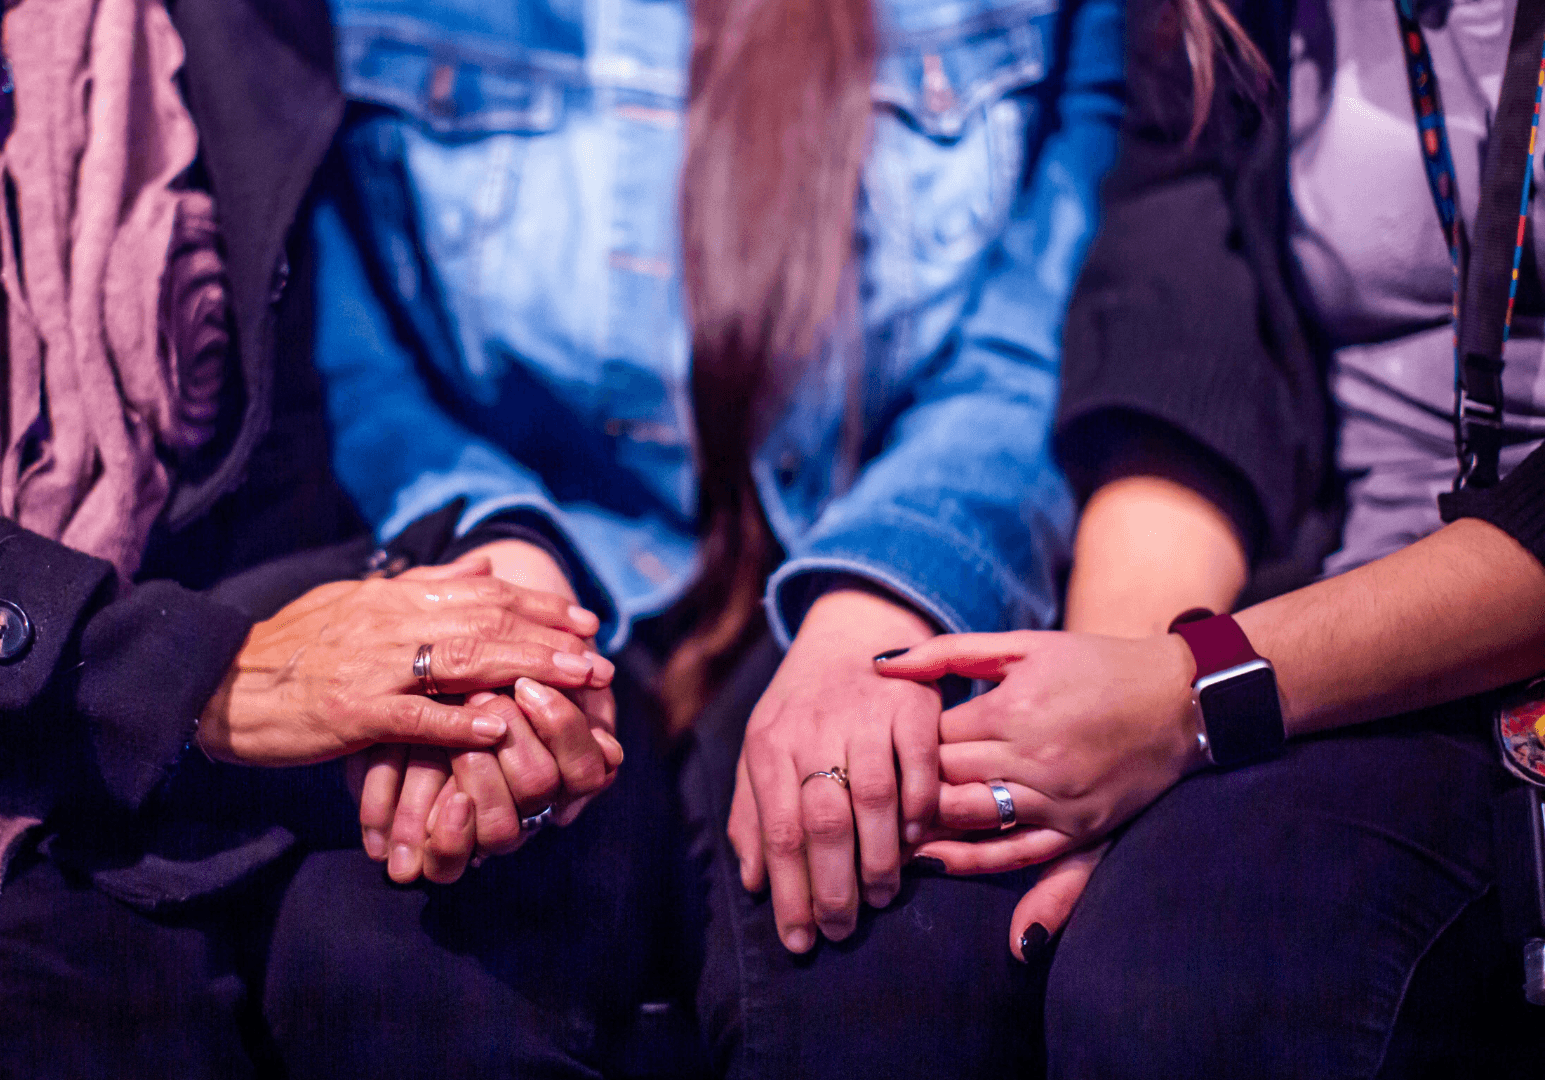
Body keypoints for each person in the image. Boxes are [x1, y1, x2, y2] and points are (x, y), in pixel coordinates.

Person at [0, 0, 616, 1075]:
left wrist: (488, 630)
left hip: (183, 672)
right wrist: (192, 674)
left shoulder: (219, 29)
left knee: (431, 979)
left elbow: (310, 401)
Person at [311, 0, 1122, 1073]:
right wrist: (490, 560)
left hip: (876, 542)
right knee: (390, 970)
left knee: (899, 977)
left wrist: (887, 601)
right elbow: (355, 346)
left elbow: (1036, 334)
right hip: (522, 542)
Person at [872, 0, 1545, 1073]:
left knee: (1182, 992)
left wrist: (1187, 695)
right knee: (899, 948)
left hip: (1459, 641)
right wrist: (1093, 740)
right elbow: (1182, 335)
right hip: (1316, 596)